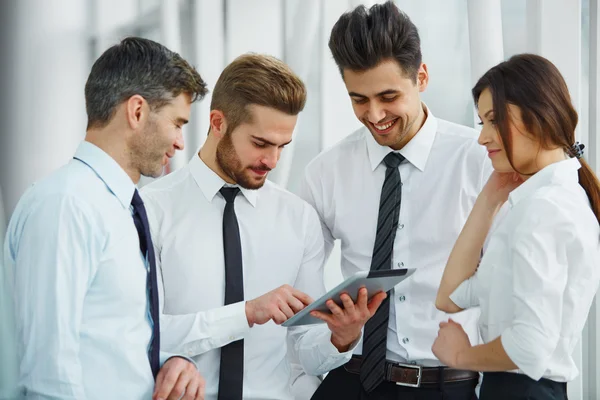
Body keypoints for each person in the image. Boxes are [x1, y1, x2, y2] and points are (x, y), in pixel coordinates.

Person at [141, 53, 386, 400]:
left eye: (282, 146)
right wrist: (246, 313)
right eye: (260, 144)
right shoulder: (150, 210)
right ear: (218, 122)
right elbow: (142, 333)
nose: (271, 160)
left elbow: (304, 350)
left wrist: (341, 338)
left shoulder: (298, 219)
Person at [299, 1, 491, 399]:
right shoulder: (325, 172)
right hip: (352, 379)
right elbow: (301, 308)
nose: (374, 114)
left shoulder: (479, 160)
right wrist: (338, 337)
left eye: (388, 96)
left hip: (447, 385)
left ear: (421, 77)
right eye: (359, 99)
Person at [3, 37, 208, 400]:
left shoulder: (120, 208)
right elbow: (48, 376)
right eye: (177, 123)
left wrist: (173, 361)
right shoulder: (67, 206)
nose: (179, 142)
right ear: (138, 111)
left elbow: (110, 341)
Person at [433, 53, 600, 400]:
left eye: (494, 121)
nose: (483, 138)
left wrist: (461, 357)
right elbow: (450, 297)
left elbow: (530, 348)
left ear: (538, 117)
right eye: (482, 123)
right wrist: (488, 200)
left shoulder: (544, 209)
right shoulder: (541, 202)